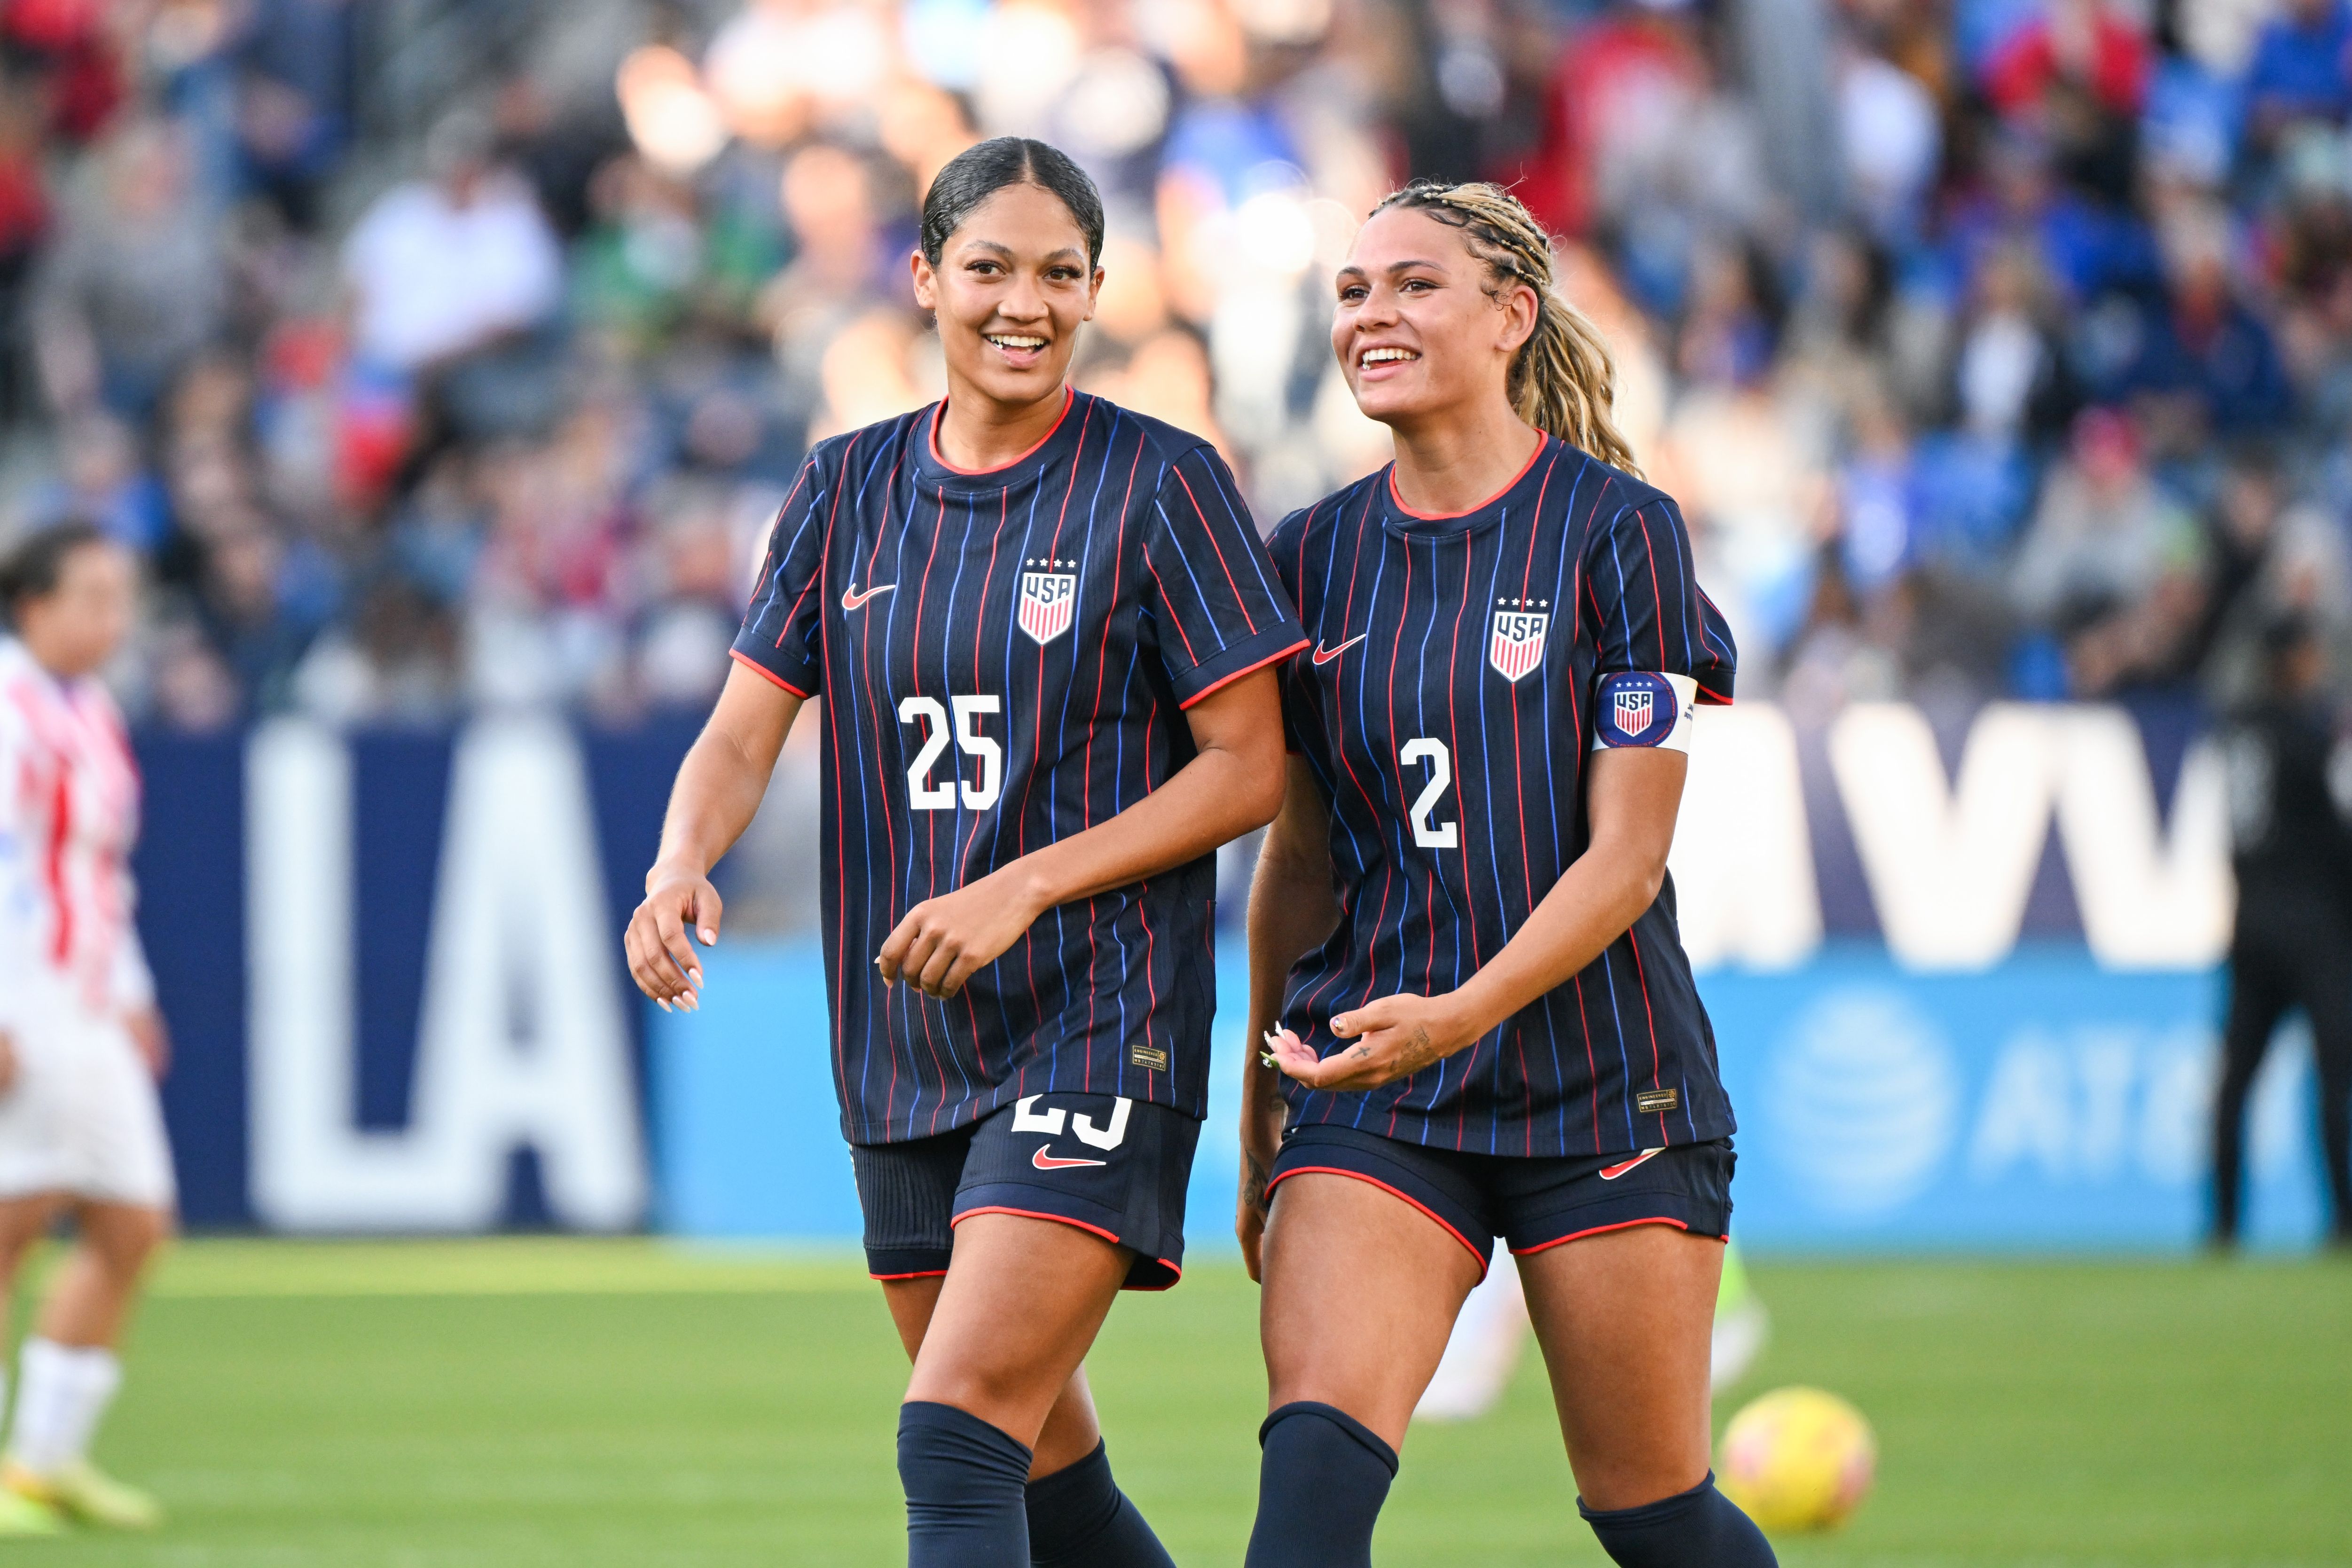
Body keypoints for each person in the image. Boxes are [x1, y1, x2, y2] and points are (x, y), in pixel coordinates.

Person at [625, 137, 1303, 1568]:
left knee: (952, 1432)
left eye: (1060, 273)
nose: (1025, 302)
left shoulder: (1160, 484)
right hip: (900, 1035)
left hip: (1096, 1023)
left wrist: (1029, 881)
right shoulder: (844, 488)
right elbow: (745, 729)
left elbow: (1253, 768)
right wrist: (678, 860)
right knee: (1047, 1470)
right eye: (988, 267)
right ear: (924, 279)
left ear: (1099, 290)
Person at [1239, 180, 1775, 1568]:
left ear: (1508, 318)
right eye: (1353, 292)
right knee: (1305, 1497)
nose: (1372, 315)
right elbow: (1295, 862)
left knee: (1653, 1519)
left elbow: (1626, 858)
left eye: (1413, 285)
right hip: (1380, 1087)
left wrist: (1465, 1009)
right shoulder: (1304, 559)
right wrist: (1258, 1112)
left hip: (1609, 1085)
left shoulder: (1619, 535)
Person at [0, 521, 172, 1534]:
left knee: (131, 1223)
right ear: (34, 604)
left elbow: (96, 870)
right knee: (14, 1223)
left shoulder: (90, 709)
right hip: (28, 995)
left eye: (121, 598)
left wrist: (133, 989)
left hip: (88, 994)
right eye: (93, 597)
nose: (113, 619)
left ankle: (44, 1461)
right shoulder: (8, 706)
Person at [2211, 613, 2352, 1249]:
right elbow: (2336, 830)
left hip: (2251, 921)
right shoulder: (2307, 735)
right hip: (2314, 926)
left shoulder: (2239, 732)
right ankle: (2342, 1219)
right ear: (2291, 660)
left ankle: (2225, 1225)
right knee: (2333, 1077)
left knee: (2236, 1081)